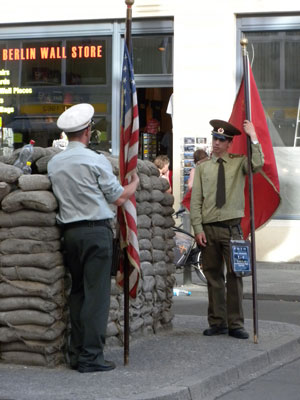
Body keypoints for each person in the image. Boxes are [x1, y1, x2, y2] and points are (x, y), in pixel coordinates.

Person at [47, 103, 139, 373]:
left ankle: (76, 353)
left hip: (70, 234)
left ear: (67, 134)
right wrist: (133, 184)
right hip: (96, 232)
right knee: (96, 296)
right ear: (87, 131)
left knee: (77, 293)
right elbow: (119, 197)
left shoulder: (54, 162)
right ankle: (91, 357)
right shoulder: (95, 160)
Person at [190, 119, 264, 340]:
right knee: (213, 277)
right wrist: (197, 228)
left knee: (235, 277)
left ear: (229, 143)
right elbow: (195, 201)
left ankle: (235, 324)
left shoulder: (239, 162)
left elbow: (258, 164)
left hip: (232, 229)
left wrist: (253, 137)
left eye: (221, 140)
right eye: (214, 138)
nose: (216, 143)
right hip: (210, 229)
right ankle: (217, 322)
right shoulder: (202, 167)